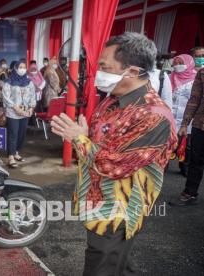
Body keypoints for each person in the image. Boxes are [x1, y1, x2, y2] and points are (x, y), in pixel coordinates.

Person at [51, 33, 176, 276]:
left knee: (102, 264)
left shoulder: (154, 115)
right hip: (98, 202)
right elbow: (101, 143)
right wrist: (85, 136)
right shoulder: (113, 100)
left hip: (117, 211)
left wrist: (78, 138)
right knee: (115, 260)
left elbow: (112, 165)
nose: (98, 71)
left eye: (104, 66)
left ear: (131, 71)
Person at [176, 56, 204, 205]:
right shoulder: (202, 73)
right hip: (200, 125)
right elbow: (194, 99)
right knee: (195, 160)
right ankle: (190, 191)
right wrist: (184, 124)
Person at [2, 61, 36, 168]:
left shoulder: (29, 82)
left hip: (25, 113)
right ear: (16, 69)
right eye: (20, 67)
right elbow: (5, 97)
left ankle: (16, 152)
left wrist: (31, 108)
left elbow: (32, 96)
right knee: (13, 134)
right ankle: (10, 157)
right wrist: (15, 108)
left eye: (24, 67)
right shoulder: (9, 82)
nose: (22, 69)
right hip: (13, 113)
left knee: (21, 134)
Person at [170, 54, 197, 176]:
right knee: (168, 143)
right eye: (175, 63)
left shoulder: (196, 79)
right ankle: (162, 165)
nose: (177, 66)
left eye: (180, 63)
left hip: (187, 119)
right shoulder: (170, 77)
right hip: (171, 116)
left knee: (187, 146)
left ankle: (184, 167)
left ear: (189, 63)